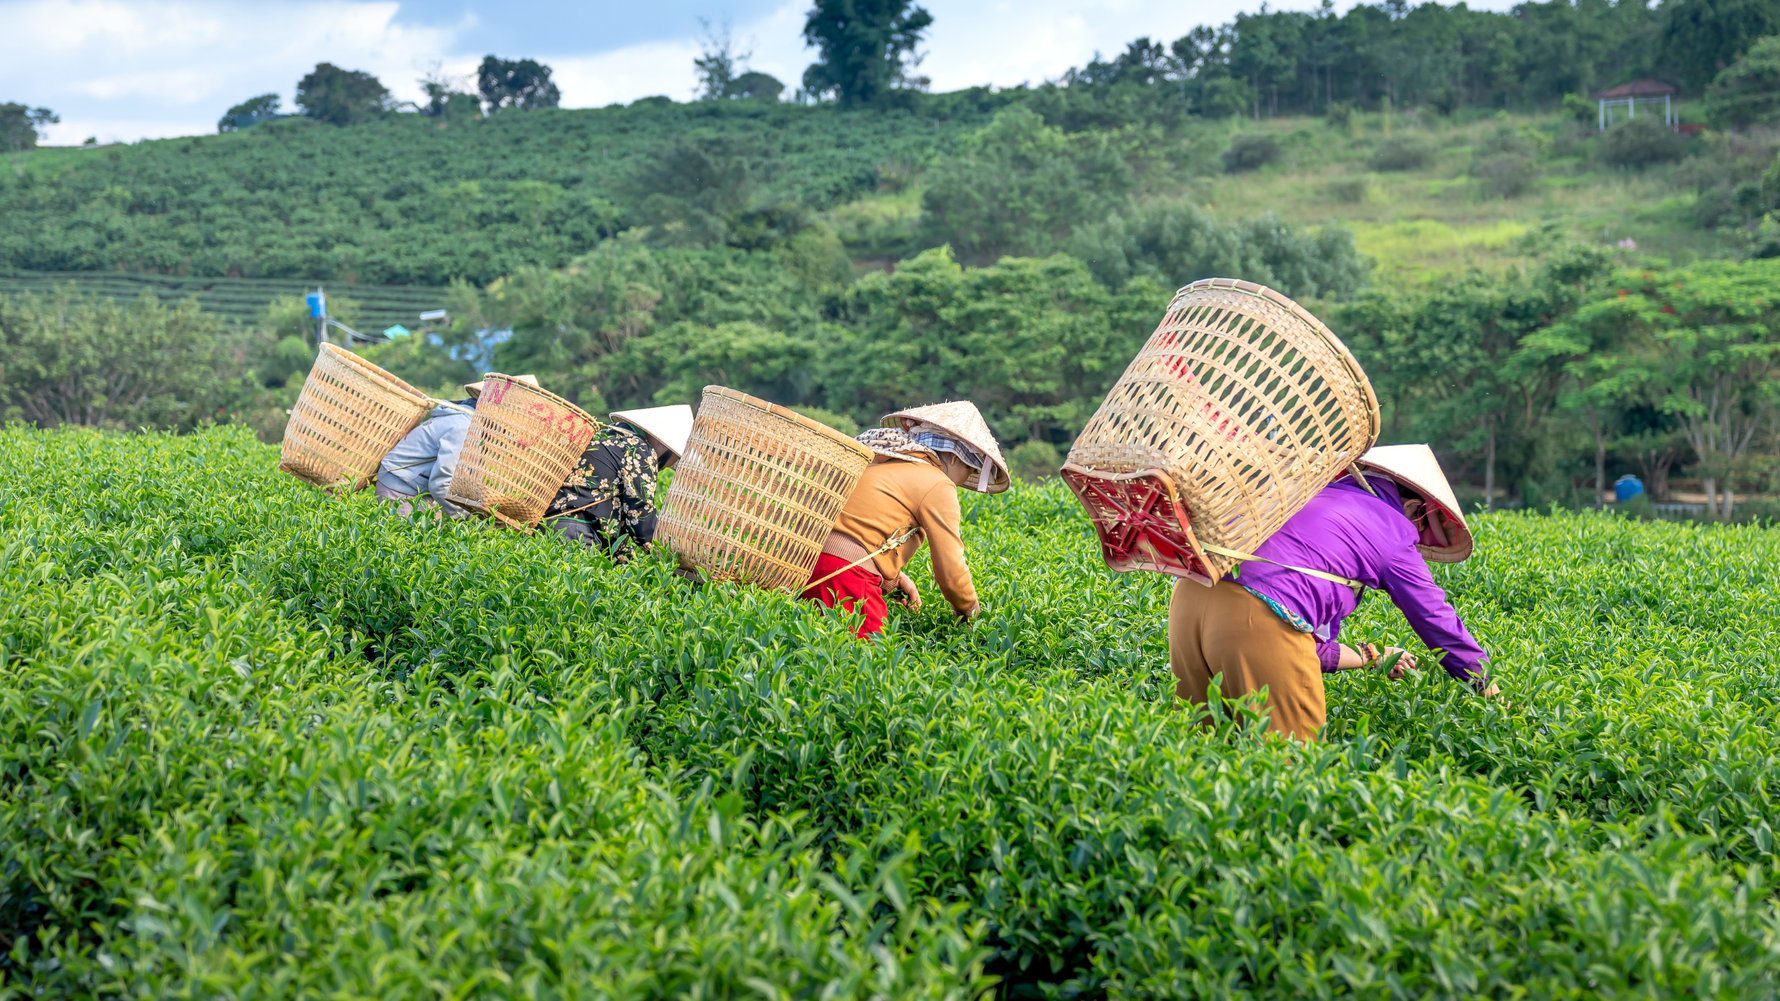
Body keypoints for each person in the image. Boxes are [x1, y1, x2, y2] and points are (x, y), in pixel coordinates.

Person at [1168, 443, 1498, 742]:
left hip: (1190, 596)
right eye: (1421, 525)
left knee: (1205, 750)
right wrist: (1488, 685)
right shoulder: (1393, 528)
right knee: (1292, 768)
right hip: (1255, 614)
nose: (1416, 536)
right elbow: (1435, 619)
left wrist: (1373, 657)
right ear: (1412, 505)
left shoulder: (1312, 495)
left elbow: (1302, 647)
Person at [800, 401, 1010, 637]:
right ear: (954, 458)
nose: (964, 480)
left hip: (807, 563)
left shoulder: (884, 462)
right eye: (970, 470)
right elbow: (950, 570)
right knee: (867, 662)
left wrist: (894, 578)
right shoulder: (938, 483)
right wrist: (969, 609)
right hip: (846, 577)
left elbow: (858, 530)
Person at [545, 404, 693, 560]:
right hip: (576, 533)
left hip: (546, 528)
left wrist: (626, 559)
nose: (662, 467)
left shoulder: (602, 437)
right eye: (673, 459)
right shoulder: (639, 450)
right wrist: (673, 555)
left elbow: (614, 511)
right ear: (664, 445)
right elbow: (640, 516)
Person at [374, 375, 537, 516]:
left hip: (415, 488)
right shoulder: (464, 427)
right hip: (402, 488)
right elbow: (441, 483)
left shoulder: (464, 418)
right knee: (414, 547)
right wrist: (467, 517)